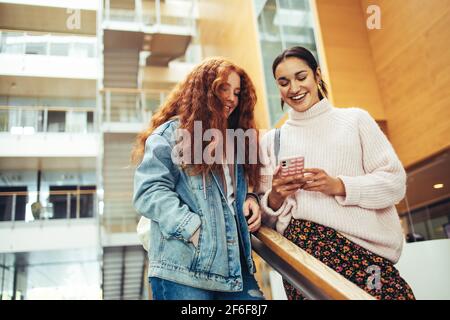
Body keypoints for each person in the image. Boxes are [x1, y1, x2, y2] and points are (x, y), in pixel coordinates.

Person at [257, 46, 415, 300]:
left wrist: (339, 186)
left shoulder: (355, 121)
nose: (294, 88)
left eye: (301, 77)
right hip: (304, 261)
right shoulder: (271, 142)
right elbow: (263, 222)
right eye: (283, 82)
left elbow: (395, 183)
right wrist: (275, 196)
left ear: (317, 76)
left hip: (368, 258)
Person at [132, 57, 265, 300]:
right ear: (204, 90)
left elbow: (234, 193)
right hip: (183, 270)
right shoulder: (170, 134)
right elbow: (149, 191)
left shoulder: (235, 140)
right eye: (224, 88)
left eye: (237, 92)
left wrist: (251, 198)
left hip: (235, 269)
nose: (232, 98)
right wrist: (193, 229)